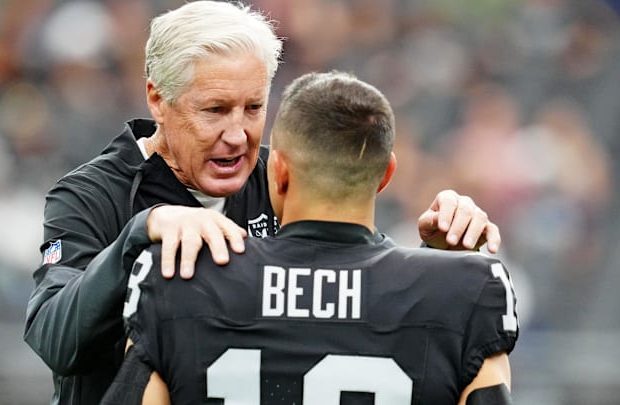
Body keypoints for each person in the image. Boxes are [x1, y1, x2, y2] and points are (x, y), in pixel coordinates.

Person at [23, 2, 501, 404]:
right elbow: (54, 338)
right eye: (215, 110)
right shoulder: (91, 196)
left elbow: (352, 283)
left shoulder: (280, 175)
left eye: (253, 108)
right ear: (157, 99)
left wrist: (437, 262)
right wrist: (138, 235)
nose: (237, 135)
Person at [104, 70, 518, 405]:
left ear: (279, 171)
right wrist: (440, 264)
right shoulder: (466, 291)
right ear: (386, 175)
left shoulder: (179, 274)